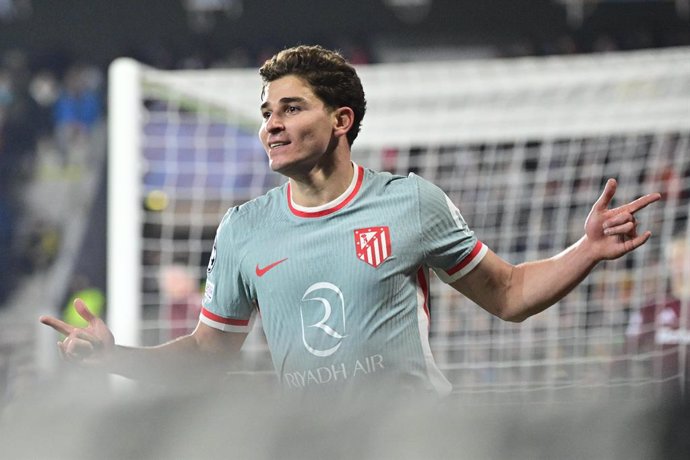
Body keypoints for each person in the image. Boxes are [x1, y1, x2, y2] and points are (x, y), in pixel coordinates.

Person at [40, 45, 661, 398]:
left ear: (341, 120)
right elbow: (207, 353)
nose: (271, 125)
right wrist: (118, 355)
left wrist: (585, 249)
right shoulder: (243, 230)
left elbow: (507, 294)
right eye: (266, 112)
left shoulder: (409, 203)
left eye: (291, 108)